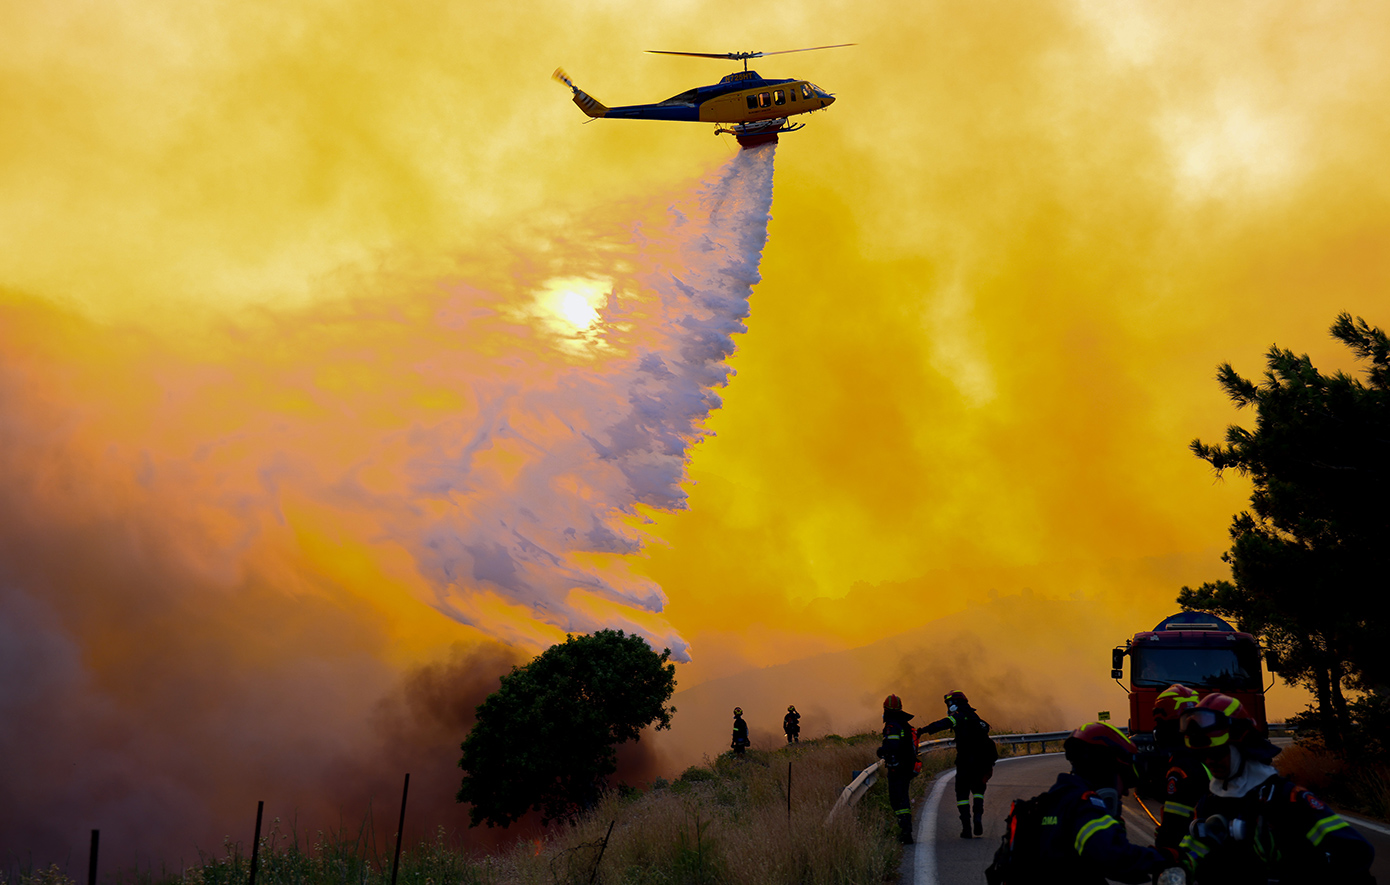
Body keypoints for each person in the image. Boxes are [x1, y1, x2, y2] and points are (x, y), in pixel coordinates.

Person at [1177, 693, 1375, 884]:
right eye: (1204, 755)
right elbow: (1192, 852)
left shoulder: (1288, 799)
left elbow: (1355, 853)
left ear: (1242, 748)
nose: (1210, 761)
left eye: (1218, 753)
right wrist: (1166, 861)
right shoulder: (1209, 802)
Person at [988, 721, 1177, 884]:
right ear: (1104, 772)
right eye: (1124, 780)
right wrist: (1166, 858)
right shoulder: (1085, 807)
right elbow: (1113, 857)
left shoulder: (1045, 804)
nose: (1125, 792)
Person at [920, 690, 998, 837]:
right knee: (978, 791)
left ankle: (966, 828)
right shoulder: (977, 719)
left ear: (954, 704)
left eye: (949, 703)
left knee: (962, 794)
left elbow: (942, 724)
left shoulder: (958, 717)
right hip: (981, 763)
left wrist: (923, 730)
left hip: (965, 762)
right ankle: (978, 817)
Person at [1150, 684, 1208, 851]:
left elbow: (1174, 827)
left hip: (1191, 857)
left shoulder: (1180, 769)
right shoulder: (1210, 756)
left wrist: (1164, 853)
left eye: (1159, 723)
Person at [876, 693, 918, 844]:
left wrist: (881, 751)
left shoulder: (892, 725)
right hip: (906, 767)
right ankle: (906, 829)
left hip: (897, 769)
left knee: (896, 800)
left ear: (886, 709)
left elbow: (892, 746)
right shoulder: (904, 724)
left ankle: (906, 831)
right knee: (903, 798)